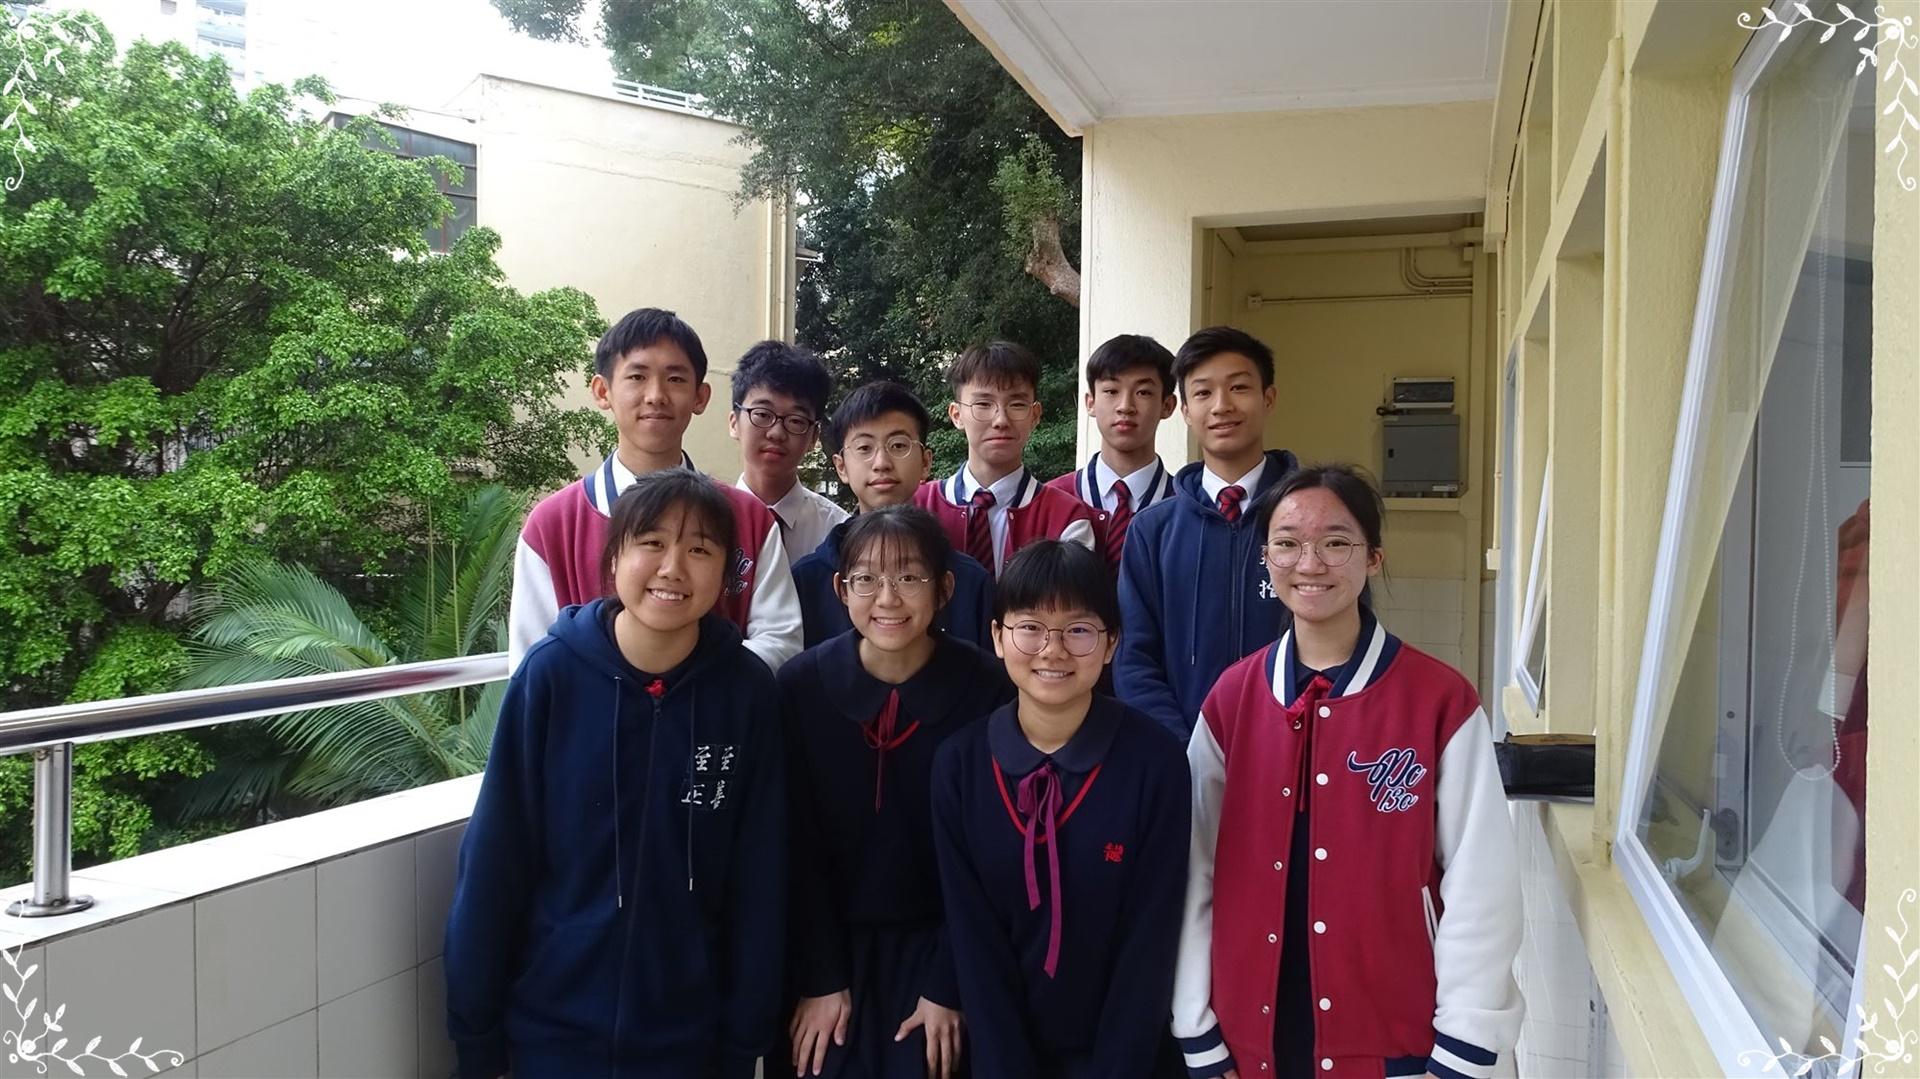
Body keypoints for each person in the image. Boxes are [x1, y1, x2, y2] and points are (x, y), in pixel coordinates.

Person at [1171, 465, 1520, 1079]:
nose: (1310, 563)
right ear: (1266, 559)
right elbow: (1196, 868)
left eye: (1336, 542)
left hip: (1396, 1036)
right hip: (1252, 1036)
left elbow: (1481, 882)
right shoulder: (1232, 699)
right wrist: (1197, 1028)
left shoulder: (1438, 701)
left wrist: (1465, 1043)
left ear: (1373, 559)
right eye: (1287, 543)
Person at [446, 470, 787, 1078]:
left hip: (692, 1039)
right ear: (614, 557)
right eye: (651, 543)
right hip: (550, 1032)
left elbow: (761, 876)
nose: (672, 568)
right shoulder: (553, 676)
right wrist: (477, 1038)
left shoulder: (746, 693)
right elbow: (497, 857)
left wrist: (745, 1039)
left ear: (725, 573)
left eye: (699, 549)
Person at [931, 541, 1190, 1079]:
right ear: (997, 637)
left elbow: (1151, 943)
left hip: (1129, 1057)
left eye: (1078, 630)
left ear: (1111, 642)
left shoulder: (1157, 763)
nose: (1052, 650)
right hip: (999, 1051)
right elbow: (973, 940)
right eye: (1030, 627)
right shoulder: (959, 766)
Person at [779, 507, 1014, 1079]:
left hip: (946, 944)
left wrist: (948, 983)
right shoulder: (799, 687)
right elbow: (792, 845)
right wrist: (819, 977)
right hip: (827, 948)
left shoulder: (988, 689)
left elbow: (993, 855)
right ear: (841, 589)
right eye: (867, 579)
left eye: (909, 577)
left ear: (944, 589)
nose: (887, 598)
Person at [507, 307, 802, 674]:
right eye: (637, 376)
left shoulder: (749, 519)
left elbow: (781, 642)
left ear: (700, 397)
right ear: (602, 391)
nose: (656, 395)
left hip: (714, 709)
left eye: (675, 379)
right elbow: (530, 662)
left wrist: (687, 689)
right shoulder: (552, 526)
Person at [1115, 326, 1298, 739]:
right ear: (1184, 410)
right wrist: (1186, 751)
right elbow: (1135, 660)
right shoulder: (1152, 530)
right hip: (1183, 756)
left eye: (1239, 388)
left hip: (1292, 750)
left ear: (1268, 398)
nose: (1221, 406)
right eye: (1203, 393)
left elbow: (1343, 640)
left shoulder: (1313, 521)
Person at [793, 382, 994, 649]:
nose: (882, 463)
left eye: (898, 445)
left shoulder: (969, 581)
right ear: (841, 467)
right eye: (864, 448)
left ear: (925, 462)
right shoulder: (806, 581)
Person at [914, 341, 1099, 577]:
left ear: (1035, 415)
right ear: (957, 415)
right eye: (983, 404)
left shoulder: (1065, 517)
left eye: (1017, 404)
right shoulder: (918, 506)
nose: (1001, 420)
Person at [1046, 334, 1181, 573]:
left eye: (1143, 392)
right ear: (1090, 402)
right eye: (1111, 391)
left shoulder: (1186, 508)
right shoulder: (1050, 501)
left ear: (1167, 405)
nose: (1125, 406)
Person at [730, 340, 850, 564]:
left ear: (814, 436)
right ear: (734, 423)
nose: (776, 433)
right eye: (762, 414)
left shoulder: (839, 533)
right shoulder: (703, 520)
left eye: (796, 420)